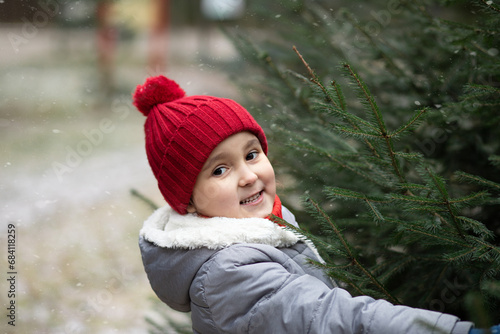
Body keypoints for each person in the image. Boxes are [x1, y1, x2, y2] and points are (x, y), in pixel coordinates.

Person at [132, 75, 498, 334]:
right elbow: (330, 319)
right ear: (189, 202)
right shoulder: (227, 272)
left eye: (252, 153)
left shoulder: (266, 225)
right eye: (220, 169)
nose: (247, 175)